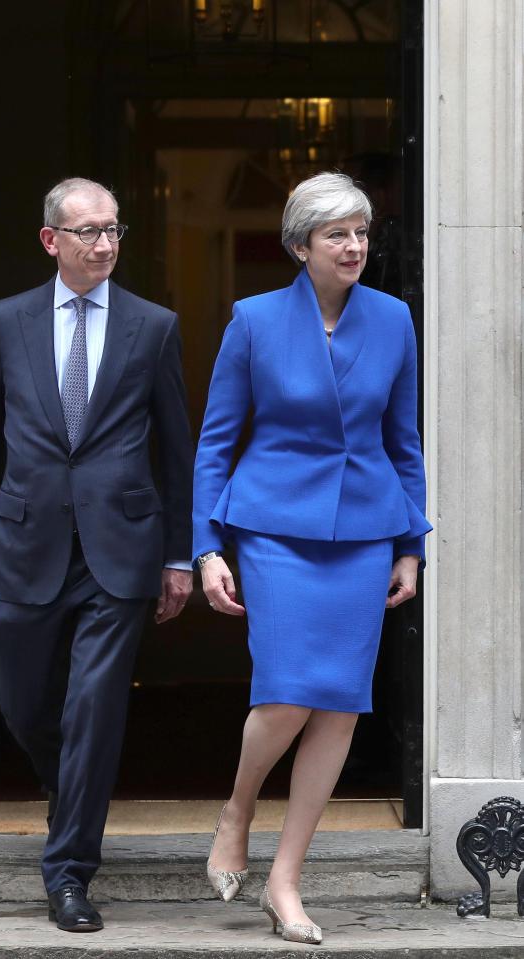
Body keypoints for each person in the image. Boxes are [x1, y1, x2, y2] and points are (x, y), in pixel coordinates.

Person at [192, 172, 432, 945]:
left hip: (364, 533)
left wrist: (409, 545)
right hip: (272, 529)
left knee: (338, 705)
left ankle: (285, 879)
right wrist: (205, 546)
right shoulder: (253, 321)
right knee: (289, 690)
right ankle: (237, 808)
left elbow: (404, 443)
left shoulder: (394, 320)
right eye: (337, 233)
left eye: (361, 231)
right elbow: (215, 442)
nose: (355, 245)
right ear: (301, 245)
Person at [0, 177, 194, 932]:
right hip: (21, 541)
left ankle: (67, 873)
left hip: (118, 549)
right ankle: (74, 788)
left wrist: (179, 555)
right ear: (50, 240)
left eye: (112, 230)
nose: (103, 244)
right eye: (87, 231)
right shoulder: (6, 320)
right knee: (22, 704)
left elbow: (177, 451)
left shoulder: (153, 326)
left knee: (94, 706)